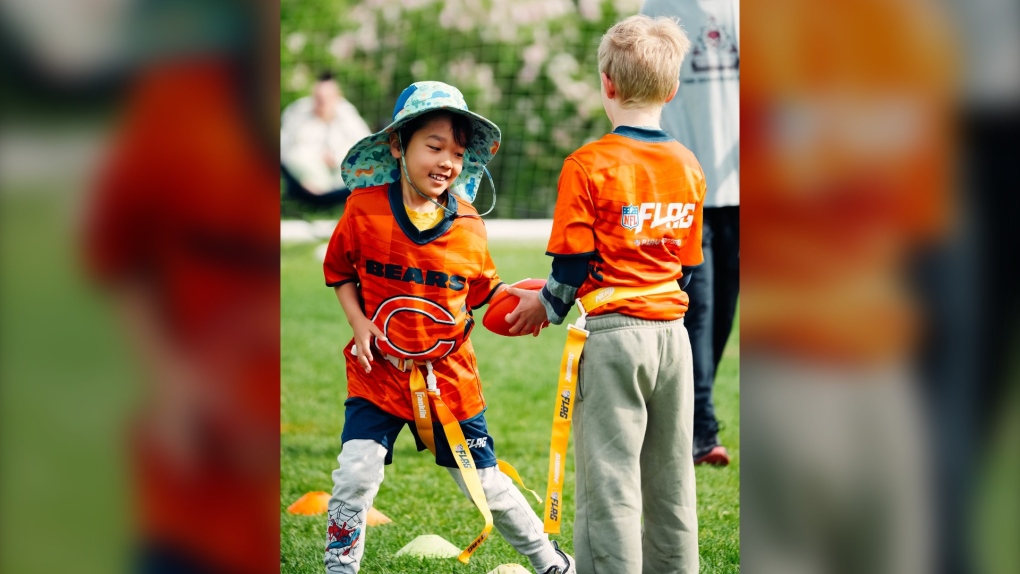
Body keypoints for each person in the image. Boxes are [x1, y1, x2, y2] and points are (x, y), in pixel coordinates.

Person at [321, 81, 574, 574]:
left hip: (449, 382)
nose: (447, 162)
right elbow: (340, 272)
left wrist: (538, 303)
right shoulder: (363, 210)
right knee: (355, 474)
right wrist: (360, 323)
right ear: (398, 145)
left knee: (487, 487)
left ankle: (551, 564)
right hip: (379, 375)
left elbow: (486, 291)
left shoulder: (469, 223)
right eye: (434, 146)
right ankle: (338, 568)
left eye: (458, 152)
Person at [507, 15, 703, 574]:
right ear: (671, 89)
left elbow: (572, 264)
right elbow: (687, 266)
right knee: (671, 477)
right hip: (673, 337)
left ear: (607, 84)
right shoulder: (688, 165)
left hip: (615, 338)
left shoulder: (588, 165)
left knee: (610, 477)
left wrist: (544, 305)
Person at [641, 0, 740, 466]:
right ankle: (702, 429)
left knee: (724, 310)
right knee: (696, 306)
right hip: (684, 183)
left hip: (742, 187)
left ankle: (691, 417)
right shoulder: (659, 6)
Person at [280, 70, 372, 206]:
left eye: (326, 98)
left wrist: (337, 158)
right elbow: (285, 147)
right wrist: (316, 158)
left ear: (337, 97)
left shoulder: (347, 114)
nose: (321, 103)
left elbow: (365, 144)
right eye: (318, 98)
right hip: (306, 175)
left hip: (339, 174)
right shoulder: (298, 112)